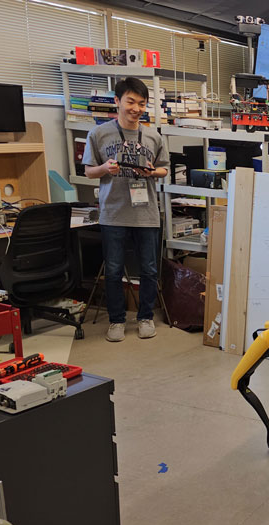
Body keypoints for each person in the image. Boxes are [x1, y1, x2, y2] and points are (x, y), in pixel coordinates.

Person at [83, 77, 169, 343]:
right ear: (117, 101)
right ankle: (117, 321)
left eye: (141, 103)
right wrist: (105, 170)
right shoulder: (99, 134)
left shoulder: (154, 135)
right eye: (130, 101)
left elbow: (164, 169)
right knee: (113, 269)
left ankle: (145, 318)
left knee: (149, 269)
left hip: (146, 213)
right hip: (114, 212)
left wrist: (152, 172)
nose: (136, 108)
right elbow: (88, 171)